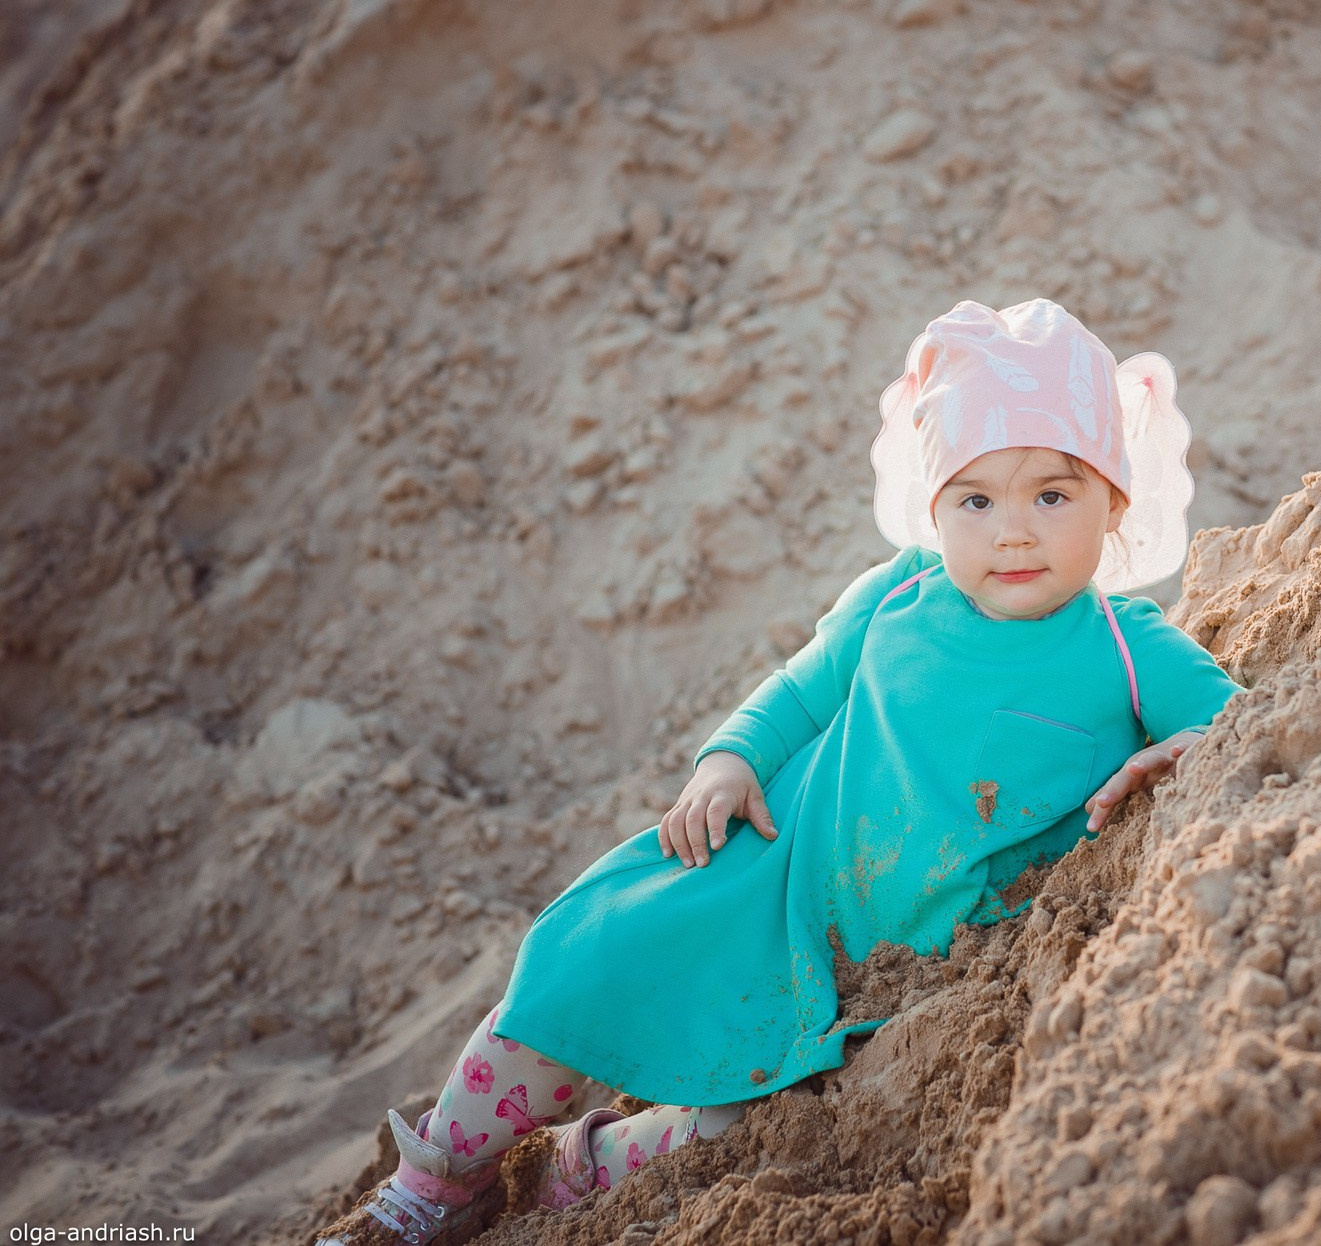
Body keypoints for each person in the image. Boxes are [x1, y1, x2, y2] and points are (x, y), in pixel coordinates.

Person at [314, 298, 1242, 1244]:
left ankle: (574, 1168)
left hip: (904, 974)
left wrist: (1181, 746)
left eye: (1053, 494)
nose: (1014, 531)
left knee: (735, 1126)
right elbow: (800, 693)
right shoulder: (898, 593)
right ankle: (441, 1175)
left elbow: (1245, 724)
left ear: (1114, 502)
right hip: (783, 874)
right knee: (582, 956)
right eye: (977, 498)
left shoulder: (1132, 648)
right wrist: (731, 756)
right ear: (933, 506)